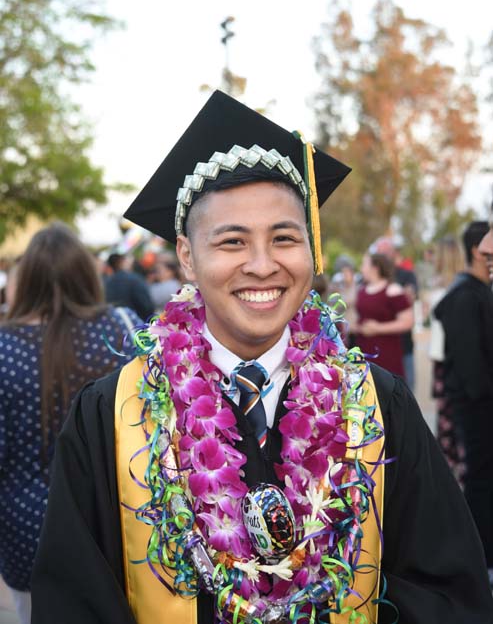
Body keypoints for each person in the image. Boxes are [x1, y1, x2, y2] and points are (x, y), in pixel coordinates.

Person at [31, 92, 493, 624]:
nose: (262, 264)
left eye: (283, 238)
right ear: (187, 255)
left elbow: (446, 589)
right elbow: (74, 601)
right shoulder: (115, 415)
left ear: (310, 251)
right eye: (231, 242)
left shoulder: (374, 405)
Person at [0, 223, 140, 624]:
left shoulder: (4, 349)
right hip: (116, 521)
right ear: (85, 273)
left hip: (27, 528)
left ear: (24, 281)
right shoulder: (123, 328)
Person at [434, 220, 493, 580]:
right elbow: (471, 366)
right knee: (480, 478)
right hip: (477, 404)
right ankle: (482, 556)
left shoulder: (477, 291)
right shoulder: (464, 296)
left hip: (480, 400)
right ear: (478, 250)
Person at [427, 237, 465, 484]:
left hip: (444, 358)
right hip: (452, 356)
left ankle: (450, 467)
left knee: (446, 416)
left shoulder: (442, 289)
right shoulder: (462, 287)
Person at [372, 237, 418, 392]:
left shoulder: (406, 275)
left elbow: (410, 298)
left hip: (403, 346)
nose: (383, 256)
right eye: (380, 253)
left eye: (386, 252)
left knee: (405, 393)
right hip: (377, 349)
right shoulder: (369, 279)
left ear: (393, 253)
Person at [355, 253, 413, 376]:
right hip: (365, 355)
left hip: (387, 356)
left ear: (375, 268)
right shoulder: (361, 290)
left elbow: (408, 322)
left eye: (364, 264)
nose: (361, 268)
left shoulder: (393, 290)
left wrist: (378, 328)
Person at [104, 251, 154, 321]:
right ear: (121, 262)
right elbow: (147, 306)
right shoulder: (134, 279)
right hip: (137, 323)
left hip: (116, 323)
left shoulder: (106, 283)